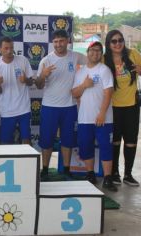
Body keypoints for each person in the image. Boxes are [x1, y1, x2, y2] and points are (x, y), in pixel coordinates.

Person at [36, 29, 86, 180]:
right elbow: (38, 85)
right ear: (53, 43)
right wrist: (43, 76)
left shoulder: (75, 56)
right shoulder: (46, 60)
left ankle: (66, 169)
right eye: (56, 42)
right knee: (47, 140)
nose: (58, 44)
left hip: (69, 106)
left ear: (67, 41)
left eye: (61, 41)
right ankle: (45, 169)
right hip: (50, 106)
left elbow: (92, 61)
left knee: (68, 140)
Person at [104, 30, 141, 186]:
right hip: (113, 107)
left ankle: (128, 174)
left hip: (132, 105)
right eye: (114, 41)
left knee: (131, 141)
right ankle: (115, 173)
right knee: (115, 141)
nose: (118, 44)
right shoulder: (105, 60)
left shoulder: (133, 53)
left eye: (120, 40)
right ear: (108, 44)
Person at [72, 41, 117, 192]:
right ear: (87, 52)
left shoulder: (104, 70)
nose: (95, 53)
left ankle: (108, 178)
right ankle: (90, 174)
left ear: (101, 54)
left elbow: (108, 92)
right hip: (85, 118)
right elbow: (74, 93)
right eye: (92, 50)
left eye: (98, 51)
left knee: (105, 147)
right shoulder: (80, 72)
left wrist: (102, 113)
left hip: (103, 118)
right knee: (85, 146)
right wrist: (84, 85)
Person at [0, 36, 34, 144]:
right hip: (7, 110)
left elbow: (31, 82)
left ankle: (26, 160)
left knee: (26, 139)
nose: (9, 51)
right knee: (6, 142)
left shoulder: (22, 60)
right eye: (6, 48)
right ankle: (8, 161)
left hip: (24, 108)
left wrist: (26, 80)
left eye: (11, 48)